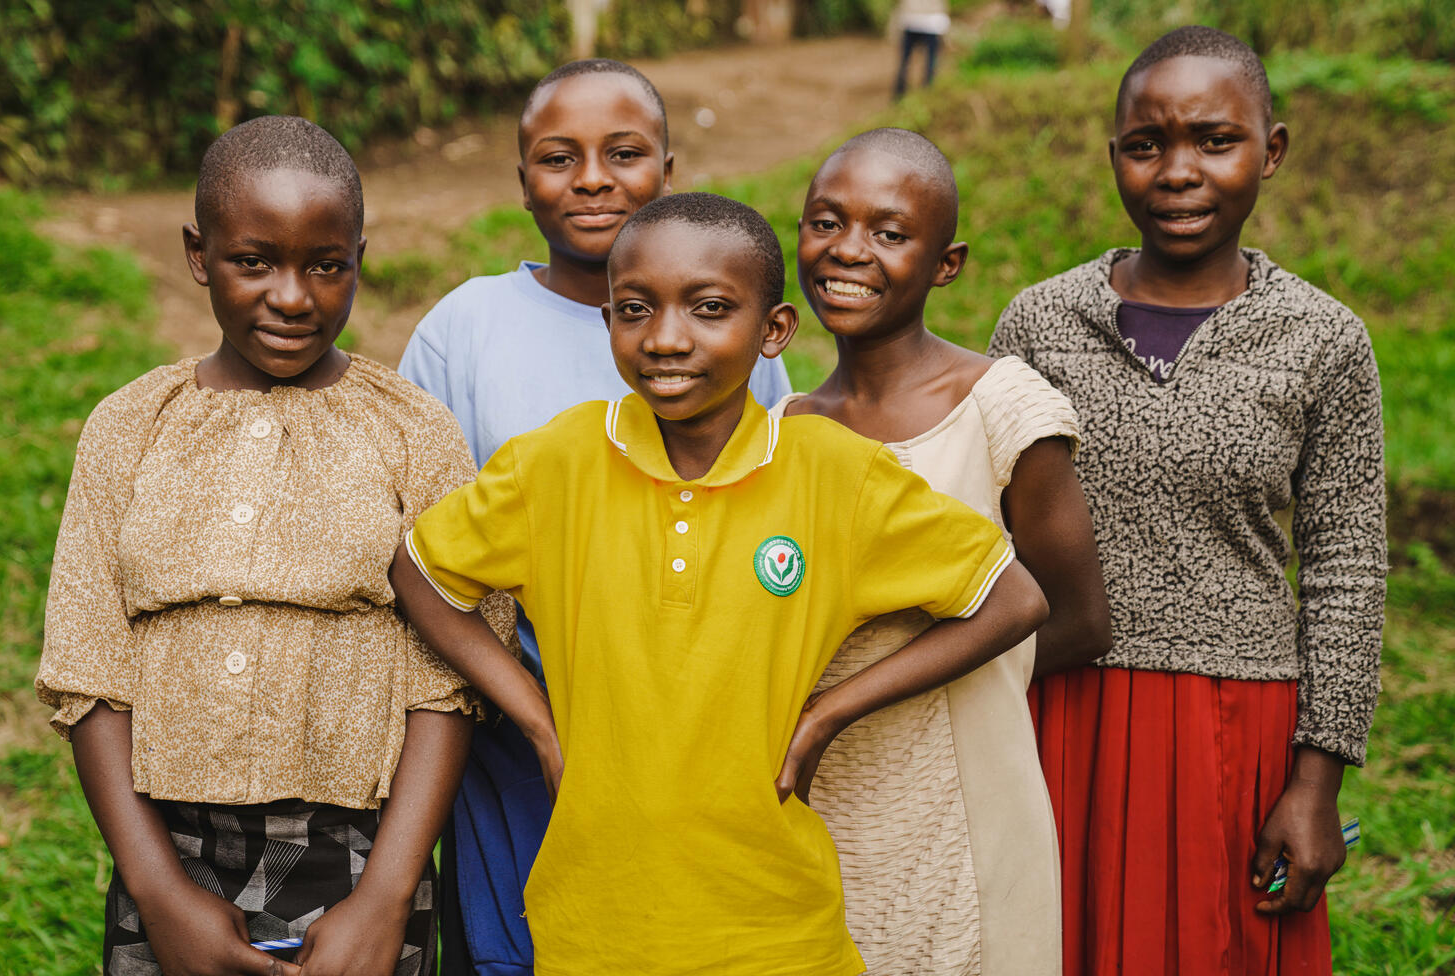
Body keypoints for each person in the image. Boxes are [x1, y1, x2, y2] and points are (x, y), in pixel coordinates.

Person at [389, 192, 1051, 975]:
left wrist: (828, 714)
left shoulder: (834, 473)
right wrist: (536, 717)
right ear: (609, 326)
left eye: (708, 309)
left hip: (779, 935)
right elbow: (420, 571)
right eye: (635, 309)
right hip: (592, 928)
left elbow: (1014, 599)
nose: (667, 339)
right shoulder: (555, 464)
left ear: (773, 331)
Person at [35, 115, 513, 976]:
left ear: (359, 258)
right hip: (168, 853)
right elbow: (86, 668)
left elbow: (452, 681)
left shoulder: (414, 433)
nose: (292, 296)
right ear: (197, 253)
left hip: (365, 856)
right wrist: (157, 891)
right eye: (253, 261)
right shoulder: (128, 428)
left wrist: (388, 896)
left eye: (326, 266)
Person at [990, 26, 1386, 975]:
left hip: (1233, 729)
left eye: (1215, 140)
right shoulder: (1041, 322)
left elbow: (1346, 569)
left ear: (1272, 151)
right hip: (1059, 715)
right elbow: (988, 529)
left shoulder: (1323, 341)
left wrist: (1316, 782)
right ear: (1115, 155)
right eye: (1146, 144)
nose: (1178, 171)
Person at [396, 58, 791, 976]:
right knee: (521, 947)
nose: (593, 179)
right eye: (558, 157)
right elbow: (425, 547)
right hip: (520, 733)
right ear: (521, 178)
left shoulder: (723, 324)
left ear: (668, 164)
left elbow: (770, 495)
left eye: (623, 153)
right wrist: (530, 715)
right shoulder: (466, 329)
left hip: (699, 735)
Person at [774, 127, 1111, 975]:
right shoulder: (785, 428)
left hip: (967, 783)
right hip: (826, 792)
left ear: (946, 263)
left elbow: (1078, 619)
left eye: (890, 233)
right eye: (827, 222)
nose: (849, 250)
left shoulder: (999, 406)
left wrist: (931, 686)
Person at [893, 0, 960, 98]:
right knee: (931, 61)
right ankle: (926, 97)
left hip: (909, 16)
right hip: (932, 18)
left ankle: (899, 98)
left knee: (905, 62)